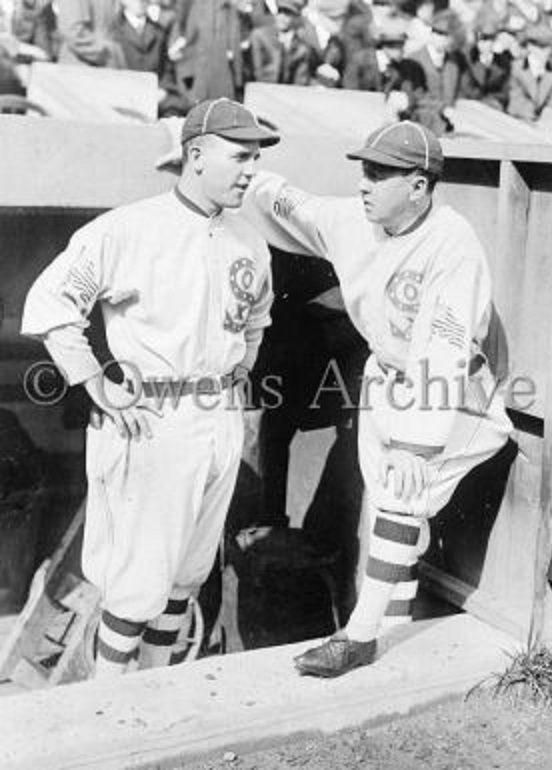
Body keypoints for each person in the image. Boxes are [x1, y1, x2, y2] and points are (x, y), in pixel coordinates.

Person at [241, 120, 512, 677]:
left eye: (382, 174)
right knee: (387, 513)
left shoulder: (452, 242)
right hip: (387, 375)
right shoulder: (351, 218)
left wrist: (417, 444)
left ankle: (359, 637)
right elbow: (288, 201)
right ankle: (394, 629)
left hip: (450, 388)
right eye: (365, 170)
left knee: (399, 497)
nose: (366, 184)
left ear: (420, 185)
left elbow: (446, 348)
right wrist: (234, 171)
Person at [21, 98, 278, 677]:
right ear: (195, 155)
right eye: (239, 156)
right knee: (136, 584)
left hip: (217, 413)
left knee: (187, 574)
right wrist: (96, 383)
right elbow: (51, 304)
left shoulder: (249, 239)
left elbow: (257, 319)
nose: (250, 170)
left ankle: (157, 695)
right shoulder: (130, 228)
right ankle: (110, 704)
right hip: (153, 414)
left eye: (254, 158)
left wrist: (241, 369)